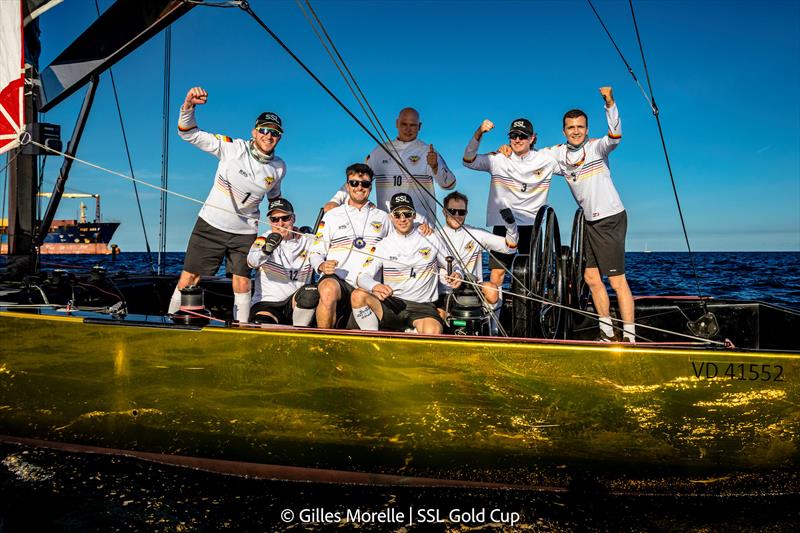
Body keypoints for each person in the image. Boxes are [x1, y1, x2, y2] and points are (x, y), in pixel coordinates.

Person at [167, 86, 286, 323]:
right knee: (190, 278)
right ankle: (169, 322)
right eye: (263, 130)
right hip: (211, 225)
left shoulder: (279, 167)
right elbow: (188, 133)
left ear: (279, 137)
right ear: (254, 132)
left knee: (242, 282)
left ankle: (241, 329)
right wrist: (189, 105)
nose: (268, 136)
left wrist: (283, 225)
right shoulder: (232, 147)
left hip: (245, 232)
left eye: (274, 133)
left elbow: (275, 199)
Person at [548, 87, 635, 342]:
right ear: (564, 130)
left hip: (610, 219)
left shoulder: (598, 148)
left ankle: (630, 337)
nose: (575, 131)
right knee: (590, 277)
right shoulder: (559, 156)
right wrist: (509, 151)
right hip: (588, 220)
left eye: (580, 127)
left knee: (617, 281)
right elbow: (533, 160)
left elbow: (615, 136)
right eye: (571, 127)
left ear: (587, 129)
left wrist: (610, 103)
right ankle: (607, 333)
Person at [462, 117, 560, 294]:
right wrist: (479, 133)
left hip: (532, 226)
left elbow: (573, 160)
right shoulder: (498, 158)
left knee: (534, 277)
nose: (517, 140)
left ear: (532, 138)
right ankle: (495, 317)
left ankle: (532, 317)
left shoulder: (546, 159)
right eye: (513, 135)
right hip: (504, 224)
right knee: (497, 275)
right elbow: (467, 161)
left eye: (522, 136)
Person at [351, 193, 463, 335]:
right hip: (394, 304)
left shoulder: (431, 237)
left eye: (407, 214)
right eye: (397, 214)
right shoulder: (383, 245)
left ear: (414, 215)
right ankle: (374, 342)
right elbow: (362, 277)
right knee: (357, 296)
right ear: (391, 217)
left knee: (433, 330)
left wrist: (458, 274)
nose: (402, 219)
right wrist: (375, 286)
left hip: (423, 307)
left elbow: (454, 264)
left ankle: (411, 332)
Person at [325, 107, 456, 223]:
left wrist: (435, 167)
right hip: (388, 225)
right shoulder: (380, 151)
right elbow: (358, 180)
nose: (408, 129)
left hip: (421, 226)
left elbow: (449, 184)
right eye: (404, 124)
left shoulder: (428, 151)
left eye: (413, 125)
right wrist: (336, 200)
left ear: (419, 126)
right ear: (396, 123)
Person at [307, 163, 391, 328]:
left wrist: (422, 228)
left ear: (370, 187)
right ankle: (324, 344)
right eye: (354, 183)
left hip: (367, 284)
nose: (359, 187)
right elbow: (315, 252)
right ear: (347, 186)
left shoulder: (383, 217)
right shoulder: (331, 216)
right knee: (327, 289)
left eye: (365, 184)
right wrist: (322, 265)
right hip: (338, 280)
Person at [436, 191, 518, 326]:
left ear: (466, 213)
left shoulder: (476, 234)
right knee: (439, 317)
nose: (457, 215)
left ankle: (492, 329)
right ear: (445, 212)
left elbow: (510, 248)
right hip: (445, 293)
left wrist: (511, 226)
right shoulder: (435, 236)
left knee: (492, 290)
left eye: (461, 212)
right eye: (452, 211)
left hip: (473, 291)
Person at [246, 198, 315, 325]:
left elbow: (325, 253)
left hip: (295, 304)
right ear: (269, 221)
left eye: (285, 218)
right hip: (268, 304)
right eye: (275, 219)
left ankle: (299, 333)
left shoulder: (307, 240)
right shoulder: (263, 239)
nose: (280, 223)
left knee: (311, 292)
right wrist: (266, 251)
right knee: (260, 323)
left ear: (293, 218)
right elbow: (252, 262)